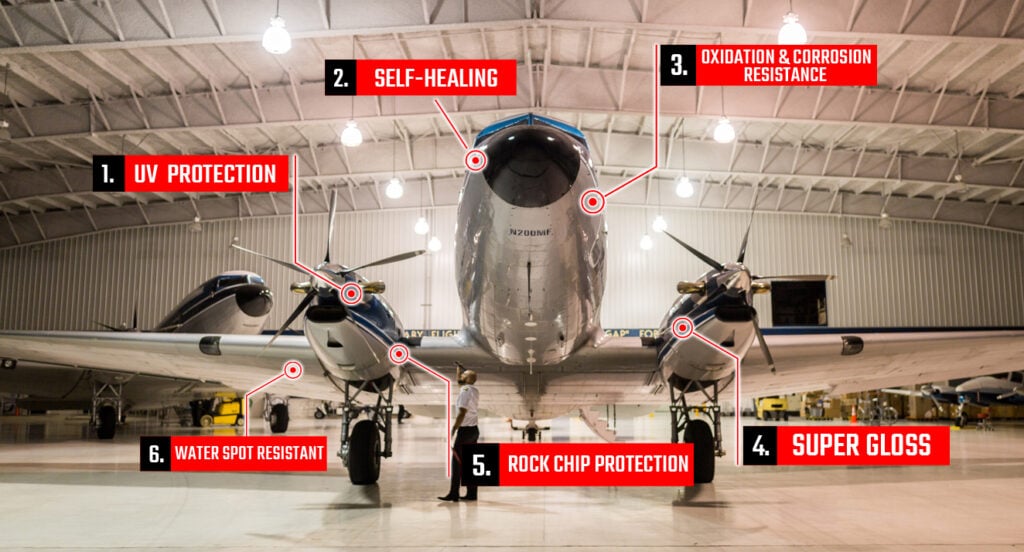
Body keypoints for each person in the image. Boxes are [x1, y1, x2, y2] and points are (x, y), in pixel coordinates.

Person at [438, 362, 479, 502]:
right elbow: (460, 383)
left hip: (465, 431)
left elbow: (462, 412)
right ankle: (472, 494)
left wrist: (454, 428)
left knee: (456, 463)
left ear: (468, 379)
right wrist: (459, 370)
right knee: (470, 462)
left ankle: (454, 493)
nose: (461, 376)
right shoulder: (473, 390)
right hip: (474, 430)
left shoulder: (465, 391)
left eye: (464, 374)